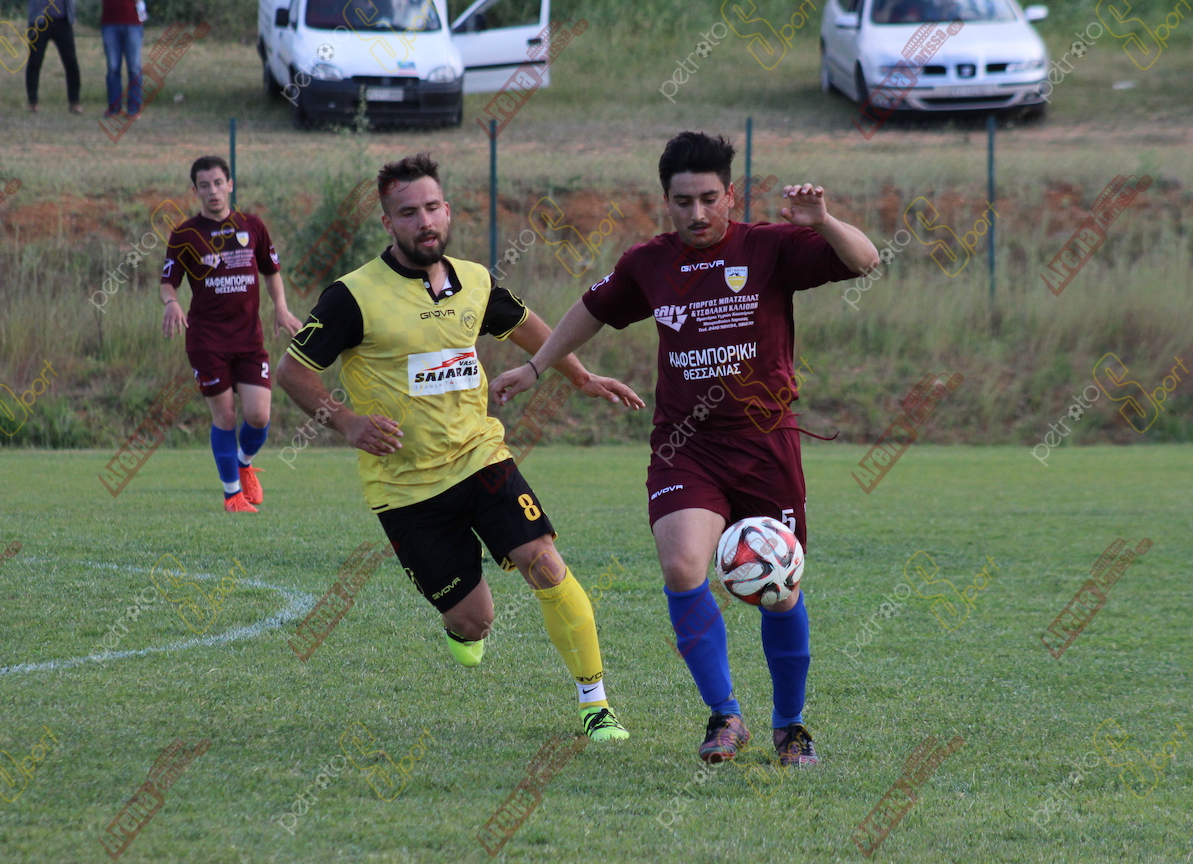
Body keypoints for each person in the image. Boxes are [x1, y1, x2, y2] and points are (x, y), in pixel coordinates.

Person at [490, 131, 878, 766]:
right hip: (686, 445)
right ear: (665, 201)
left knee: (780, 589)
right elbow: (591, 309)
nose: (696, 214)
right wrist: (536, 367)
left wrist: (824, 221)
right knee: (681, 567)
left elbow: (863, 261)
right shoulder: (650, 262)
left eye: (708, 199)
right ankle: (725, 715)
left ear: (730, 196)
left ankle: (790, 726)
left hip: (766, 445)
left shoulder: (770, 246)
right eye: (682, 201)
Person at [275, 152, 641, 740]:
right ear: (388, 222)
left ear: (447, 210)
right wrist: (346, 422)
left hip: (481, 458)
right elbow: (292, 372)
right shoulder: (352, 296)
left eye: (431, 208)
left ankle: (595, 705)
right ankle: (461, 626)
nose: (424, 222)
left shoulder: (475, 281)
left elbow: (529, 327)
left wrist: (580, 377)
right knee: (475, 621)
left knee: (545, 564)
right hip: (406, 487)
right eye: (408, 213)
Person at [159, 155, 301, 513]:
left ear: (230, 185)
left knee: (259, 416)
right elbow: (168, 282)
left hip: (249, 340)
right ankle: (232, 496)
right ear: (195, 191)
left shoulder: (252, 226)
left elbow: (271, 271)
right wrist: (171, 303)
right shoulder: (185, 235)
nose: (213, 191)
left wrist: (281, 308)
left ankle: (243, 462)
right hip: (207, 341)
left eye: (218, 183)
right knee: (224, 417)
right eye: (204, 185)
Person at [25, 0, 82, 114]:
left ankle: (74, 102)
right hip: (39, 20)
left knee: (71, 62)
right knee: (35, 62)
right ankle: (33, 102)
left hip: (63, 21)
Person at [100, 0, 144, 118]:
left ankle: (134, 108)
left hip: (133, 22)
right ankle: (114, 108)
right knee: (112, 67)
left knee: (134, 67)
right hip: (110, 22)